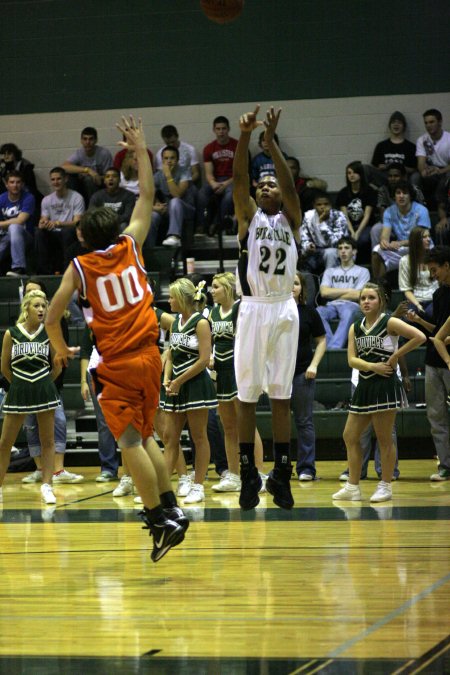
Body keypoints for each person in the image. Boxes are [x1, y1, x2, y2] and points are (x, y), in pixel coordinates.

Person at [46, 115, 187, 563]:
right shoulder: (131, 244)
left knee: (128, 443)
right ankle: (171, 509)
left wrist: (58, 345)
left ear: (84, 234)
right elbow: (147, 194)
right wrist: (142, 148)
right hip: (151, 355)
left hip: (119, 363)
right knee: (146, 437)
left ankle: (156, 516)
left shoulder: (80, 267)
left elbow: (51, 315)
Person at [233, 105, 301, 511]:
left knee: (281, 397)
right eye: (262, 186)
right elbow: (239, 178)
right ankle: (247, 474)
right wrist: (243, 138)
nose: (265, 187)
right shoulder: (248, 217)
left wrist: (270, 143)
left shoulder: (291, 217)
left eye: (270, 185)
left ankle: (282, 474)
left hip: (284, 310)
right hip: (255, 308)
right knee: (246, 396)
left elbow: (291, 187)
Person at [332, 283, 426, 503]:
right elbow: (351, 359)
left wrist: (394, 356)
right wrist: (372, 366)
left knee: (384, 438)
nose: (366, 301)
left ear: (380, 301)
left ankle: (385, 485)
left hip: (385, 386)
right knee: (350, 435)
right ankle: (353, 486)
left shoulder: (389, 321)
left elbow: (419, 337)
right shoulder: (355, 326)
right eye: (363, 298)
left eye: (371, 298)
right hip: (364, 385)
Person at [19, 278, 83, 486]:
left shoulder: (55, 323)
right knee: (30, 424)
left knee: (59, 421)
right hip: (26, 387)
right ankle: (39, 469)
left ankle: (58, 469)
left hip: (49, 384)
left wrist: (49, 382)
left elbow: (59, 359)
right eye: (29, 295)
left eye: (39, 299)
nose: (34, 299)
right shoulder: (18, 329)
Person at [0, 290, 61, 505]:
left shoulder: (49, 332)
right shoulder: (11, 333)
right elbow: (4, 368)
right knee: (5, 442)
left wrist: (44, 383)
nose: (42, 310)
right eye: (37, 306)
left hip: (44, 390)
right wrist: (19, 383)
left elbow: (56, 367)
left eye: (44, 306)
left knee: (48, 441)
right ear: (26, 308)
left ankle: (47, 486)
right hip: (18, 391)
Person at [159, 278, 217, 504]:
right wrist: (167, 377)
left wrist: (179, 380)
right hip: (175, 385)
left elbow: (204, 360)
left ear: (182, 298)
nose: (169, 300)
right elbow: (171, 354)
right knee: (169, 437)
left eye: (172, 296)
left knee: (198, 435)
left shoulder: (201, 323)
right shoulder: (174, 322)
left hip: (194, 385)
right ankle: (163, 489)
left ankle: (199, 486)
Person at [209, 272, 266, 493]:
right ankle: (234, 475)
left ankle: (258, 472)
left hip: (239, 371)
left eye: (216, 287)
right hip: (221, 373)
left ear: (228, 288)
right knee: (229, 425)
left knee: (246, 424)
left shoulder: (241, 309)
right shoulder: (212, 313)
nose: (212, 291)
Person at [406, 246, 450, 481]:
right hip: (434, 361)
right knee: (436, 415)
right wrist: (420, 321)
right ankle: (445, 464)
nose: (433, 276)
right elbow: (437, 332)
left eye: (435, 270)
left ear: (447, 266)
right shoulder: (439, 294)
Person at [291, 272, 326, 480]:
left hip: (302, 373)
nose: (292, 287)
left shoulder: (309, 312)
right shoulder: (274, 313)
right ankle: (281, 466)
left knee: (304, 421)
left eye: (296, 284)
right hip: (279, 376)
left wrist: (313, 365)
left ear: (302, 288)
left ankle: (306, 468)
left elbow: (321, 341)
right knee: (279, 421)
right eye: (288, 283)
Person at [317, 237, 370, 349]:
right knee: (318, 312)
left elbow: (358, 295)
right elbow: (324, 292)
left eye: (346, 248)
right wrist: (350, 290)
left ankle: (333, 349)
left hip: (351, 305)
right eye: (340, 248)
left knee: (348, 312)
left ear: (354, 251)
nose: (343, 251)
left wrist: (334, 294)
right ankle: (329, 345)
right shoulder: (330, 271)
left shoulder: (363, 271)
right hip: (331, 305)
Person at [372, 182, 431, 279]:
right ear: (394, 196)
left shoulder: (422, 210)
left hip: (420, 247)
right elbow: (385, 235)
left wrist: (400, 243)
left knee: (424, 245)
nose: (401, 196)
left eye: (405, 193)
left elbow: (422, 237)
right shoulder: (389, 211)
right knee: (377, 250)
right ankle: (378, 285)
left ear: (410, 196)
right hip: (402, 248)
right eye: (398, 193)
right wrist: (384, 242)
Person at [36, 167, 85, 274]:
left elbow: (77, 222)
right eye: (53, 179)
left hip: (69, 232)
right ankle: (44, 272)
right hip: (53, 232)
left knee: (67, 232)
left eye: (58, 179)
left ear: (65, 179)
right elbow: (43, 219)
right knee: (39, 233)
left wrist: (58, 223)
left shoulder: (76, 197)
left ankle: (66, 270)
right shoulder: (47, 200)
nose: (56, 182)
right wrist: (43, 223)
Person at [197, 115, 238, 235]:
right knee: (201, 194)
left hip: (232, 180)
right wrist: (213, 184)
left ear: (228, 129)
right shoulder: (209, 148)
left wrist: (225, 184)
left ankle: (218, 224)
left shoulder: (237, 146)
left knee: (229, 196)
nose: (221, 132)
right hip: (216, 180)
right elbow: (208, 173)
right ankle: (201, 226)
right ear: (214, 130)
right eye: (218, 129)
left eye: (224, 128)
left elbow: (240, 173)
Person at [153, 145, 196, 248]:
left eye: (172, 158)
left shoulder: (184, 172)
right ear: (162, 160)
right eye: (166, 158)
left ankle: (174, 236)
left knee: (175, 201)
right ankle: (150, 249)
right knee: (153, 216)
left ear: (177, 159)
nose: (169, 161)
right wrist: (155, 205)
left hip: (186, 209)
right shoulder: (158, 175)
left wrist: (168, 176)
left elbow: (177, 194)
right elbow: (149, 195)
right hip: (167, 209)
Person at [335, 161, 378, 262]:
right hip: (348, 226)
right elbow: (344, 216)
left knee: (362, 239)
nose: (351, 175)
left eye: (354, 172)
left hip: (365, 226)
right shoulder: (343, 193)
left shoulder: (369, 191)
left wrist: (358, 232)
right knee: (344, 240)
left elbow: (367, 215)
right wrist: (352, 232)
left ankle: (362, 264)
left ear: (361, 174)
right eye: (349, 173)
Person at [300, 191, 348, 274]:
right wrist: (308, 246)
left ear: (331, 205)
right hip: (316, 250)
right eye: (319, 204)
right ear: (314, 206)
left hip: (336, 250)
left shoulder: (338, 216)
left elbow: (336, 243)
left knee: (330, 253)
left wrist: (322, 223)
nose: (322, 207)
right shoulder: (309, 216)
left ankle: (328, 284)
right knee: (302, 256)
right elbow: (304, 237)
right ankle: (307, 285)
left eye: (326, 204)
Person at [62, 127, 113, 205]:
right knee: (69, 178)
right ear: (81, 141)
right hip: (83, 185)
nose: (88, 142)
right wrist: (87, 170)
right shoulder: (79, 153)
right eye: (85, 139)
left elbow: (110, 175)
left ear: (96, 140)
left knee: (89, 179)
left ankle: (93, 207)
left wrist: (97, 176)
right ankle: (74, 206)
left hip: (100, 184)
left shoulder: (104, 153)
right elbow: (64, 167)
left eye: (91, 139)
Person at [367, 111, 417, 186]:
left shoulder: (411, 147)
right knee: (364, 168)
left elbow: (414, 169)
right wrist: (381, 168)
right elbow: (375, 168)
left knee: (416, 177)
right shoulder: (381, 146)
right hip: (385, 178)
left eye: (399, 123)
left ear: (404, 126)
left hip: (404, 179)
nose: (396, 125)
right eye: (393, 122)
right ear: (390, 126)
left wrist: (393, 166)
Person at [413, 109, 450, 209]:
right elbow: (421, 162)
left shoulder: (448, 139)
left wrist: (440, 170)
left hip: (445, 170)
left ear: (440, 122)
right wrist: (423, 171)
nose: (428, 125)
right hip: (431, 171)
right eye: (426, 123)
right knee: (415, 177)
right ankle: (420, 208)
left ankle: (441, 207)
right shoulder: (422, 140)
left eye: (432, 122)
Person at [0, 170, 35, 276]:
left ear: (22, 184)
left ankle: (19, 268)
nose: (15, 185)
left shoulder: (28, 198)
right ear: (6, 185)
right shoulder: (1, 198)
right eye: (12, 182)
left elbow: (20, 220)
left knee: (14, 227)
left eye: (18, 182)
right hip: (6, 236)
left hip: (25, 236)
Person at [398, 227, 438, 317]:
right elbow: (407, 290)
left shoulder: (434, 258)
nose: (428, 239)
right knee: (408, 318)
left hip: (434, 299)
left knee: (430, 314)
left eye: (429, 236)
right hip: (416, 299)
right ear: (416, 241)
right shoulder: (405, 261)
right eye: (424, 237)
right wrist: (417, 305)